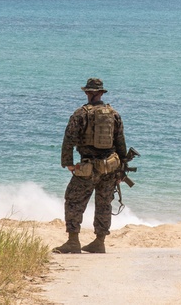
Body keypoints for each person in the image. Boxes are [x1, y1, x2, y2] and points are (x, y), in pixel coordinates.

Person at [53, 77, 128, 254]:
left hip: (87, 167)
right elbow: (121, 144)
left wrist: (69, 164)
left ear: (87, 93)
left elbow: (68, 141)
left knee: (73, 201)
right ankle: (99, 242)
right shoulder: (114, 114)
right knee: (104, 204)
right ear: (101, 93)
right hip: (109, 168)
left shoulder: (80, 114)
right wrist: (121, 170)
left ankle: (73, 241)